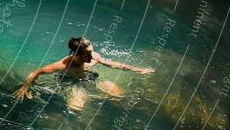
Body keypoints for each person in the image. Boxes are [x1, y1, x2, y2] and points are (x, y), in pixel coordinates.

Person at [13, 37, 154, 111]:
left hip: (90, 79)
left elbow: (114, 64)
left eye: (92, 51)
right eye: (88, 53)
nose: (93, 55)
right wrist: (25, 87)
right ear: (77, 53)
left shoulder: (93, 57)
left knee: (119, 96)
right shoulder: (64, 65)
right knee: (75, 109)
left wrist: (140, 70)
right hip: (71, 83)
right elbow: (36, 73)